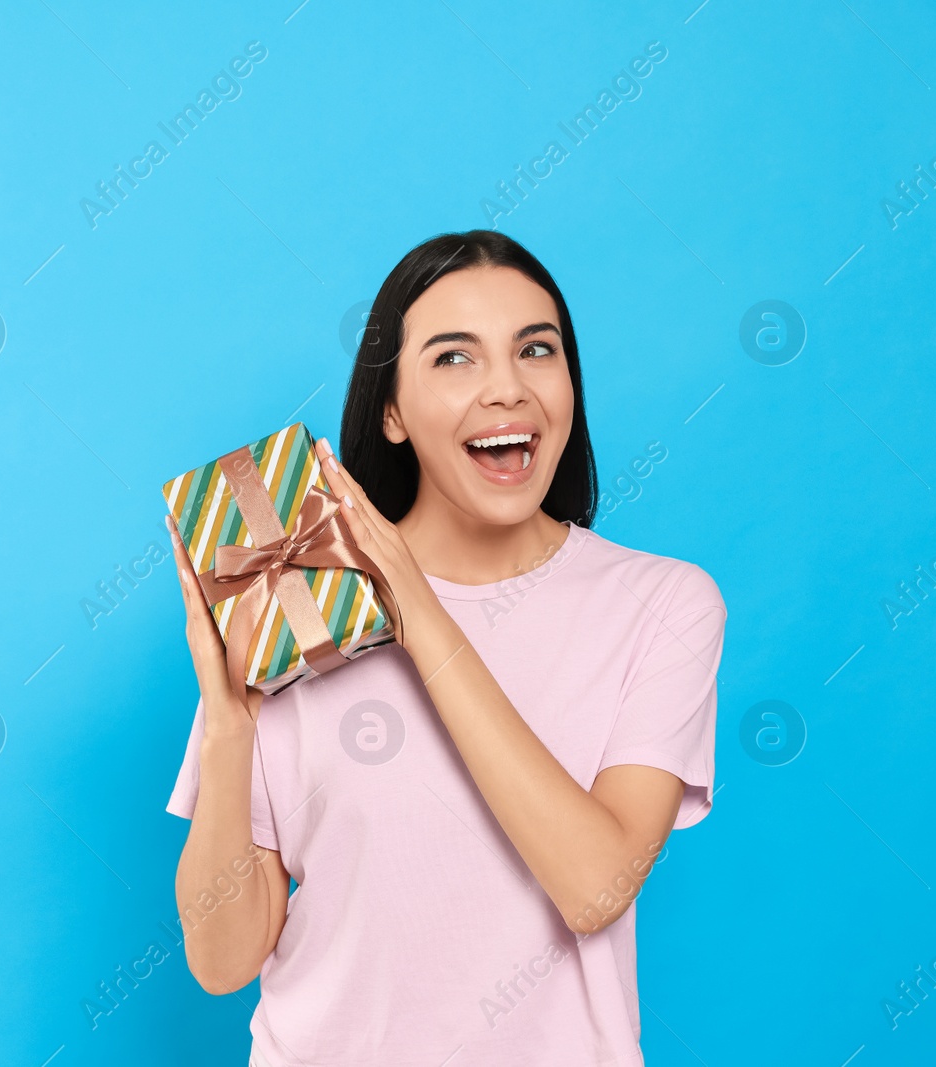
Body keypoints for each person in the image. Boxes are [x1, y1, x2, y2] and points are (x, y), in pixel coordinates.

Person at [163, 230, 727, 1065]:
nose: (507, 388)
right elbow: (223, 961)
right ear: (390, 410)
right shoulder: (303, 604)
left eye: (537, 349)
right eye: (454, 358)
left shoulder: (662, 604)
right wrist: (227, 728)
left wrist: (417, 610)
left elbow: (595, 887)